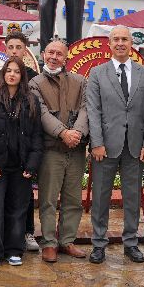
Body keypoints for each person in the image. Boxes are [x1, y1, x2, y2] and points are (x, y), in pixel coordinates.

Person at [84, 26, 144, 265]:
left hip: (135, 146)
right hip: (105, 146)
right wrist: (96, 142)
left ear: (131, 43)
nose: (120, 43)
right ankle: (98, 244)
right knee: (101, 197)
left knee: (132, 197)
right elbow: (93, 111)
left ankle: (131, 243)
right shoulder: (97, 73)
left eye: (124, 39)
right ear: (109, 44)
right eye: (116, 39)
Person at [29, 39, 90, 263]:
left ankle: (67, 240)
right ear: (44, 54)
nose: (54, 57)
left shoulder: (80, 81)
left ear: (66, 58)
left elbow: (86, 108)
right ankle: (48, 242)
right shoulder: (34, 83)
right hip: (51, 149)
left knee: (73, 198)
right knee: (48, 199)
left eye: (59, 54)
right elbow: (41, 112)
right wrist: (63, 133)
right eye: (51, 53)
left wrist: (77, 133)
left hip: (76, 148)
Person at [0, 59, 43, 267]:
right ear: (3, 74)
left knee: (17, 210)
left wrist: (32, 165)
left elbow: (37, 136)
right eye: (8, 71)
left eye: (16, 72)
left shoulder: (31, 100)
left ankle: (14, 249)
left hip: (21, 167)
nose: (12, 74)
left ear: (22, 76)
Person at [4, 30, 40, 252]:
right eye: (11, 47)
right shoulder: (0, 75)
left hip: (25, 147)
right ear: (5, 49)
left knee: (25, 197)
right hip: (3, 149)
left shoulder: (33, 76)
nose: (15, 51)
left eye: (19, 47)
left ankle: (27, 232)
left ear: (25, 50)